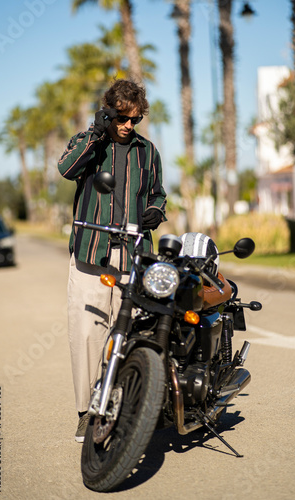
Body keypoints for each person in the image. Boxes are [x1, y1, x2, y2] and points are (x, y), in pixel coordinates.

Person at [58, 79, 167, 442]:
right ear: (109, 112)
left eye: (134, 120)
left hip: (133, 254)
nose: (127, 125)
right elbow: (67, 169)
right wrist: (97, 132)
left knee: (130, 334)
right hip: (91, 251)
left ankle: (123, 408)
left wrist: (155, 211)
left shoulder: (147, 152)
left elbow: (158, 194)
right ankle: (86, 413)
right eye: (121, 117)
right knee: (88, 334)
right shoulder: (87, 142)